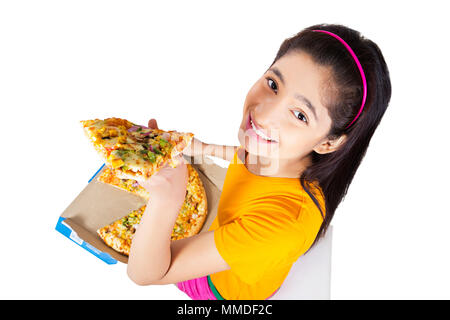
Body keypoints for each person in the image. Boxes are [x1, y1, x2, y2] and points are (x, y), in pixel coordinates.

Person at [126, 23, 392, 300]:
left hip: (222, 289)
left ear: (328, 142)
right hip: (232, 246)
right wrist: (203, 149)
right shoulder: (278, 154)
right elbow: (246, 159)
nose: (264, 115)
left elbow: (145, 274)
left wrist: (166, 200)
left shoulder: (281, 225)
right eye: (273, 84)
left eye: (300, 115)